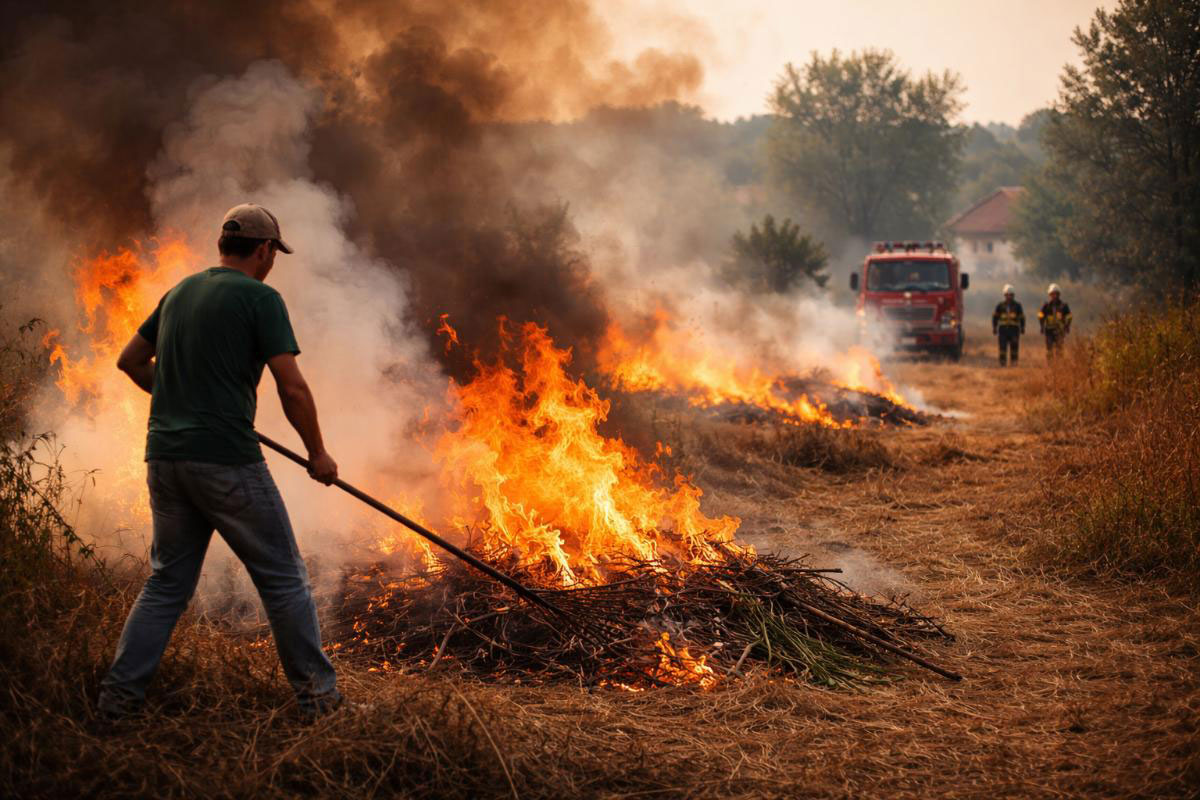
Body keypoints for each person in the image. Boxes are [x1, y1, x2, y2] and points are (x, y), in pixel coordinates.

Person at [98, 203, 341, 719]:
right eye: (274, 252)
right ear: (264, 250)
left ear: (220, 247)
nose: (272, 260)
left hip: (165, 458)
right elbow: (291, 388)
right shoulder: (261, 298)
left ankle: (115, 706)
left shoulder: (179, 291)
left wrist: (182, 400)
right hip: (226, 462)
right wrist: (317, 453)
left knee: (165, 585)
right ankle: (321, 706)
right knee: (284, 578)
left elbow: (130, 362)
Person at [992, 284, 1026, 367]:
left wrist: (1022, 327)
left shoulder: (1017, 306)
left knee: (1014, 347)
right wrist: (994, 327)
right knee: (1002, 347)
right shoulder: (1000, 306)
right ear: (1004, 295)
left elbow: (1022, 317)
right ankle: (1002, 363)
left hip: (1014, 330)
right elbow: (995, 317)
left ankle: (1014, 363)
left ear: (1013, 295)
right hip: (1003, 330)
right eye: (1007, 295)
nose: (1009, 297)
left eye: (1011, 295)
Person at [1038, 283, 1073, 359]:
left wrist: (1067, 326)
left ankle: (1059, 366)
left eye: (1056, 294)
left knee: (1059, 348)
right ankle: (1050, 365)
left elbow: (1069, 316)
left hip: (1060, 330)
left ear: (1059, 294)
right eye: (1052, 294)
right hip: (1049, 330)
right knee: (1049, 348)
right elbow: (1040, 315)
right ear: (1049, 295)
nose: (1054, 296)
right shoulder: (1046, 305)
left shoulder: (1063, 306)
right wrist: (1041, 326)